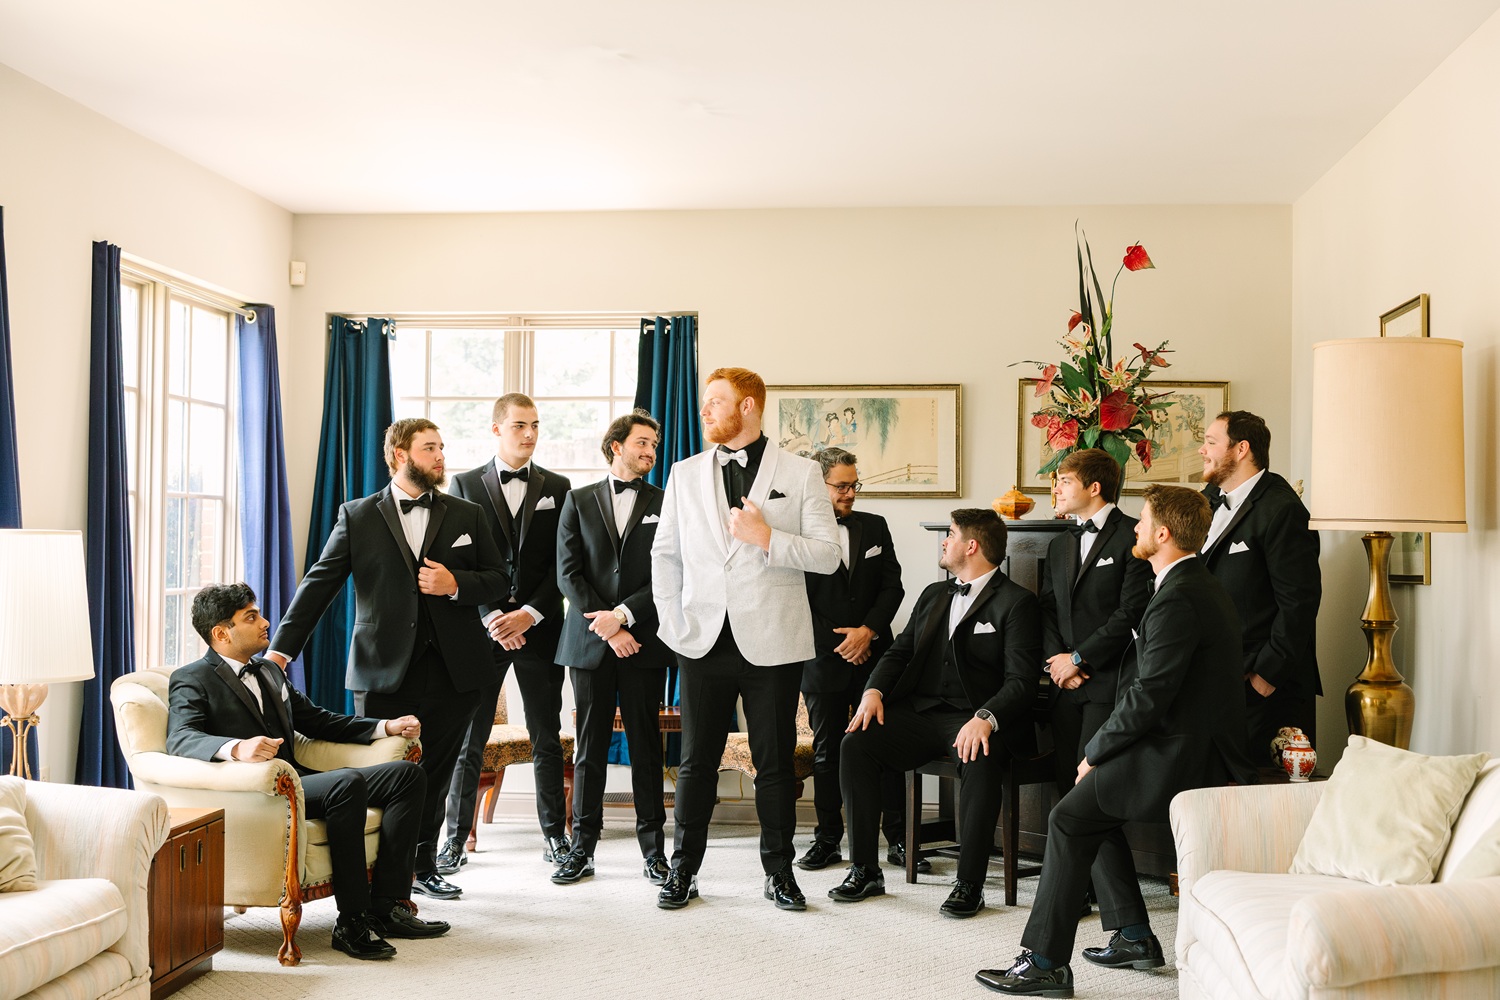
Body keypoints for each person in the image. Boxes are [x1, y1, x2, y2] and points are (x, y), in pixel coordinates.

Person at [976, 485, 1254, 997]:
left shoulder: (1180, 595)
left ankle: (1044, 963)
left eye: (1144, 522)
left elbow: (1150, 695)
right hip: (1181, 739)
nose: (1137, 530)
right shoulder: (1189, 584)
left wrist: (1096, 753)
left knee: (1069, 817)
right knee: (1085, 813)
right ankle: (1132, 935)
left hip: (1182, 752)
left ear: (1163, 534)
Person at [267, 418, 507, 901]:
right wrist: (280, 650)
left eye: (442, 447)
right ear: (399, 454)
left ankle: (423, 867)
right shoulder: (357, 516)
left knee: (435, 776)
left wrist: (456, 585)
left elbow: (500, 579)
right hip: (382, 672)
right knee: (383, 774)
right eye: (429, 448)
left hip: (456, 670)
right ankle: (376, 876)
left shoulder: (467, 513)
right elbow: (319, 585)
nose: (441, 456)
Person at [169, 583, 450, 960]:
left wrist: (385, 727)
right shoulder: (192, 678)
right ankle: (352, 921)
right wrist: (237, 749)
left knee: (406, 774)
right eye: (251, 617)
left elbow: (317, 721)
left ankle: (386, 907)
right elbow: (181, 737)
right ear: (221, 633)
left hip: (298, 780)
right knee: (346, 782)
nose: (266, 622)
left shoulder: (269, 670)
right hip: (259, 794)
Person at [650, 366, 841, 911]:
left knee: (775, 764)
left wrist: (769, 538)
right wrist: (671, 622)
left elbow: (829, 555)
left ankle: (780, 873)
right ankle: (682, 870)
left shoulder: (801, 472)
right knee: (694, 764)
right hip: (701, 639)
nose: (705, 410)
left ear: (750, 406)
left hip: (773, 640)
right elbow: (665, 554)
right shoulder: (684, 474)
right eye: (706, 402)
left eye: (716, 402)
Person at [830, 509, 1042, 917]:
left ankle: (969, 884)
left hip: (975, 718)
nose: (945, 541)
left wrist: (985, 717)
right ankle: (865, 870)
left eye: (951, 535)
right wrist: (873, 690)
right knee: (856, 745)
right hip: (921, 712)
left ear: (971, 546)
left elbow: (1021, 682)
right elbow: (900, 652)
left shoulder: (1017, 603)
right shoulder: (933, 594)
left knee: (977, 756)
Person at [445, 393, 575, 873]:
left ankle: (555, 839)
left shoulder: (560, 487)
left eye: (536, 425)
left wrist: (531, 614)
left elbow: (564, 564)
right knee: (469, 738)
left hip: (539, 629)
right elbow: (462, 563)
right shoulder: (461, 484)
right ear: (496, 429)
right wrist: (492, 616)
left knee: (547, 736)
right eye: (520, 425)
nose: (530, 434)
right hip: (482, 631)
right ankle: (453, 840)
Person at [552, 410, 671, 885]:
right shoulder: (576, 500)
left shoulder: (668, 501)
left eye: (654, 446)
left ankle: (654, 852)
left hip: (643, 639)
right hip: (589, 645)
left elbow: (671, 572)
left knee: (646, 748)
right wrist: (606, 626)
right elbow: (568, 572)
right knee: (589, 748)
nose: (650, 452)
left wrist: (624, 618)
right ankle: (581, 849)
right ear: (616, 445)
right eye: (642, 443)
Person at [794, 447, 910, 874]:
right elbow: (796, 598)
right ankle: (827, 839)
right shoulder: (796, 529)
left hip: (876, 655)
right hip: (822, 657)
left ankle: (899, 837)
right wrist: (841, 641)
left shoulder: (875, 525)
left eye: (854, 484)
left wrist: (868, 632)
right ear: (818, 484)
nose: (850, 493)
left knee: (886, 745)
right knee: (827, 751)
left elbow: (892, 586)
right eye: (841, 485)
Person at [1198, 410, 1322, 760]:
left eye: (1210, 442)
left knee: (1259, 800)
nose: (1201, 450)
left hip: (1263, 686)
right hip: (1218, 678)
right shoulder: (1207, 498)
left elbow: (1299, 602)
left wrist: (1266, 675)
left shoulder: (1283, 509)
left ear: (1241, 449)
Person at [1038, 450, 1150, 827]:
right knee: (1065, 783)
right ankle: (1078, 884)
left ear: (1095, 487)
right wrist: (1059, 662)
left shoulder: (1134, 535)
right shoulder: (1060, 544)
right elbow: (1047, 609)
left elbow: (1130, 613)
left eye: (1065, 481)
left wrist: (1080, 659)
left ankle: (1098, 884)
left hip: (1108, 681)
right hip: (1062, 683)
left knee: (1092, 786)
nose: (1057, 489)